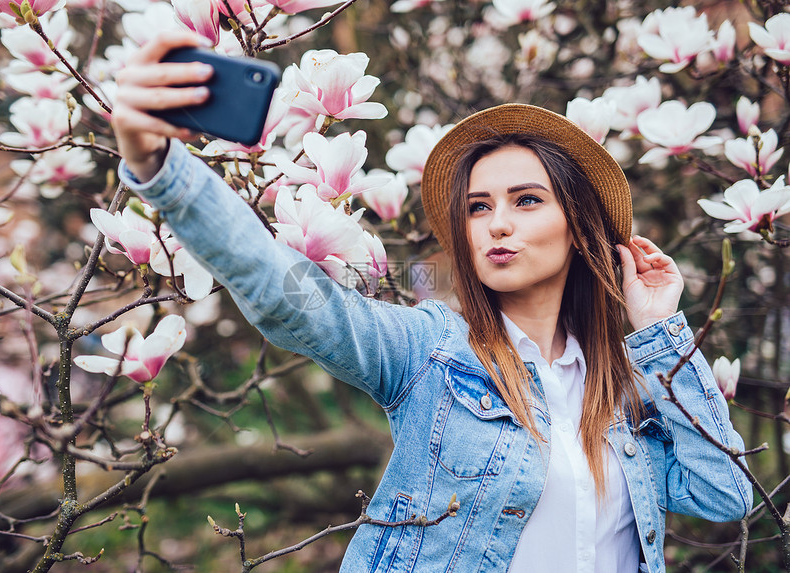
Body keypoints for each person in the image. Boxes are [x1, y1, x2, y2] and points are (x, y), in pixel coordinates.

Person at [111, 31, 753, 573]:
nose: (497, 223)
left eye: (526, 200)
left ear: (579, 225)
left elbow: (723, 494)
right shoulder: (431, 352)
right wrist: (164, 171)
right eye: (479, 207)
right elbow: (290, 298)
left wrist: (661, 331)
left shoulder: (619, 392)